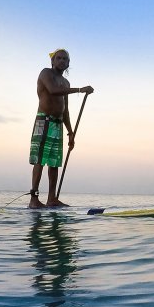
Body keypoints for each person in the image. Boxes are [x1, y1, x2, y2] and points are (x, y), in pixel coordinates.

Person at [29, 49, 94, 208]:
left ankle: (52, 198)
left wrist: (70, 132)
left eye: (65, 59)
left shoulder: (66, 83)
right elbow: (53, 90)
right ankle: (34, 199)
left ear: (68, 64)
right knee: (40, 160)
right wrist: (80, 90)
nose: (62, 61)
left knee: (54, 162)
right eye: (59, 58)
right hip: (43, 121)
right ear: (52, 61)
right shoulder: (45, 73)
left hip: (57, 124)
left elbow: (65, 110)